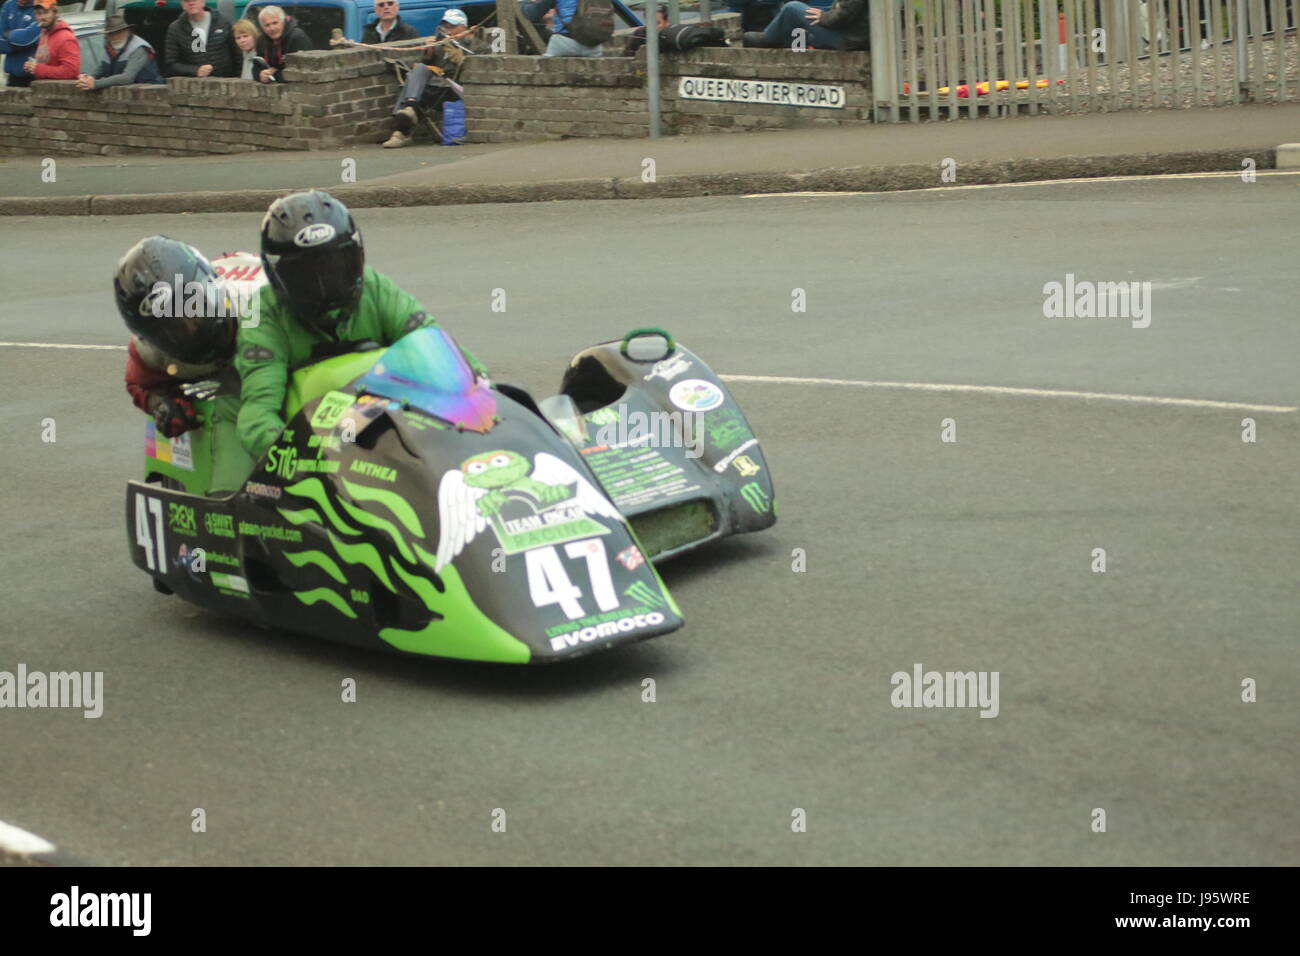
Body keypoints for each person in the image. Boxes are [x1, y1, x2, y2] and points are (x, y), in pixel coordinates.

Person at [237, 191, 489, 463]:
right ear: (277, 276)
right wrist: (296, 458)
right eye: (305, 275)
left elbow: (437, 349)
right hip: (310, 442)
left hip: (379, 427)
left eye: (335, 266)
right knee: (234, 483)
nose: (324, 283)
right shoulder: (261, 315)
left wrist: (483, 393)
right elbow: (259, 411)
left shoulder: (376, 289)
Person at [115, 239, 264, 491]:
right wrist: (161, 403)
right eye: (167, 332)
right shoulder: (149, 353)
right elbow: (137, 383)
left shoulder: (259, 304)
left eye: (195, 311)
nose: (188, 332)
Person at [381, 9, 482, 149]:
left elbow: (475, 70)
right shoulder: (440, 41)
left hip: (451, 89)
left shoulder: (473, 44)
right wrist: (428, 53)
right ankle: (410, 108)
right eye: (445, 26)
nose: (448, 30)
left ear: (463, 27)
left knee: (410, 86)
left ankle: (400, 132)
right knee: (419, 69)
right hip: (433, 85)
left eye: (452, 26)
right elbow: (427, 64)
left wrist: (458, 56)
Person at [75, 13, 164, 90]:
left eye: (118, 32)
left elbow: (127, 78)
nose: (115, 37)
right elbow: (101, 68)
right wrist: (88, 78)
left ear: (127, 31)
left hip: (149, 96)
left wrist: (96, 84)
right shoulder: (110, 48)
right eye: (111, 34)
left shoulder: (139, 48)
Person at [752, 0, 868, 50]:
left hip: (846, 39)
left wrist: (823, 16)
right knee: (799, 35)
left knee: (792, 8)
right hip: (850, 38)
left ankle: (768, 38)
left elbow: (844, 15)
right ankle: (778, 38)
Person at [164, 0, 238, 78]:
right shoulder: (176, 29)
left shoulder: (222, 21)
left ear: (203, 2)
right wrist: (195, 71)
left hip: (226, 84)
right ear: (182, 5)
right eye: (186, 1)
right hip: (193, 85)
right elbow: (171, 64)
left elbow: (237, 54)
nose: (191, 3)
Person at [524, 0, 603, 57]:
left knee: (547, 65)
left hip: (563, 41)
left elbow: (532, 15)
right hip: (593, 45)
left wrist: (523, 4)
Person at [255, 5, 311, 84]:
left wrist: (274, 74)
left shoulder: (297, 38)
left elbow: (301, 72)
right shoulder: (261, 40)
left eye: (275, 23)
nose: (272, 28)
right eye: (267, 25)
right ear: (263, 28)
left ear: (283, 22)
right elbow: (256, 66)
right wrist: (260, 75)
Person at [22, 0, 77, 80]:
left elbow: (71, 71)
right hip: (43, 89)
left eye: (46, 12)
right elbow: (47, 63)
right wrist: (33, 66)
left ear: (55, 12)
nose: (42, 17)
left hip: (60, 91)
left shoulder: (66, 38)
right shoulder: (44, 32)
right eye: (39, 13)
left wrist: (38, 69)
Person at [0, 0, 40, 89]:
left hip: (34, 76)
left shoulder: (40, 5)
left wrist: (8, 35)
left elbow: (27, 38)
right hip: (12, 76)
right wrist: (18, 44)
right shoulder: (8, 5)